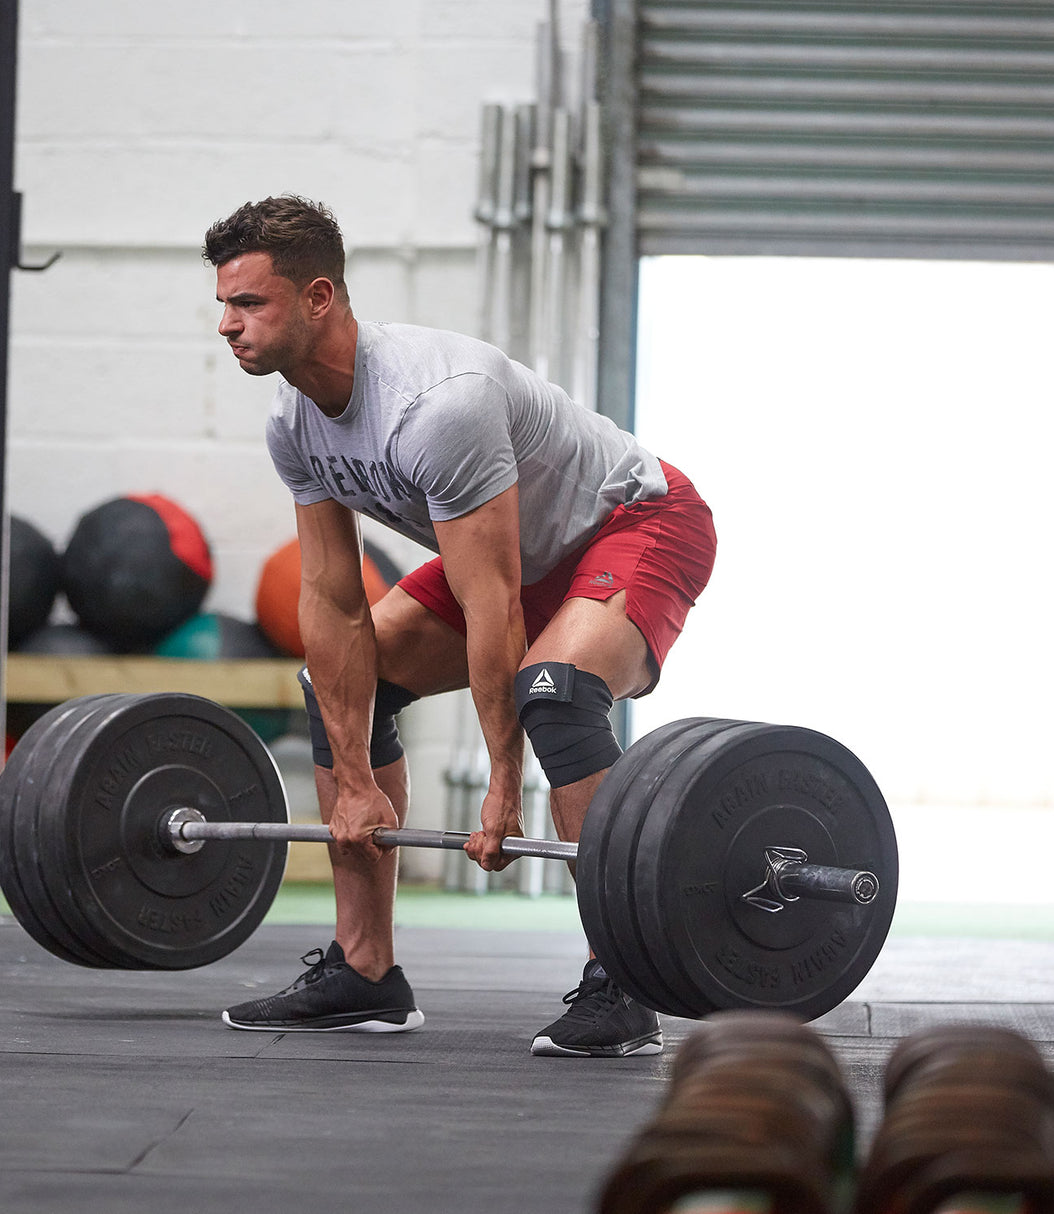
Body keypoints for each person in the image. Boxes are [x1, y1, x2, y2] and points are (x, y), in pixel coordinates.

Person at [202, 195, 716, 1057]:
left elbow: (493, 604)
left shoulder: (438, 404)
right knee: (339, 686)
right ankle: (364, 972)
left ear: (319, 297)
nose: (227, 324)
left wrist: (503, 782)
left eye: (248, 302)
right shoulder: (294, 421)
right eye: (224, 304)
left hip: (637, 523)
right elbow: (332, 599)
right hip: (517, 556)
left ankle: (624, 982)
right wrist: (354, 779)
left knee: (556, 690)